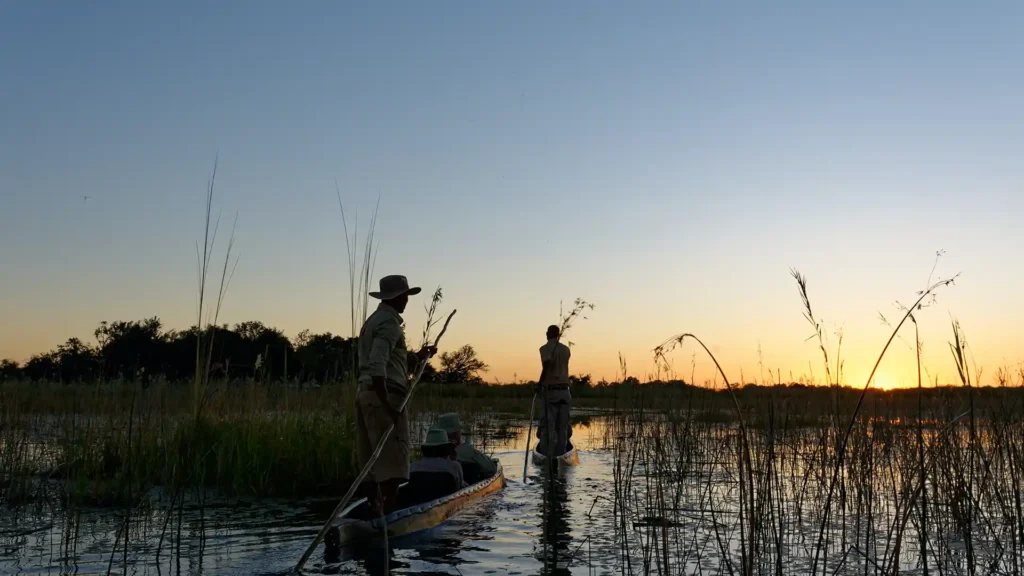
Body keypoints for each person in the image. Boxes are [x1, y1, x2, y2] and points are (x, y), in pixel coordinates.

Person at [355, 274, 436, 514]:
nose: (407, 301)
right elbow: (378, 365)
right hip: (385, 397)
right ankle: (388, 514)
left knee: (370, 460)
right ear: (397, 297)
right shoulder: (389, 324)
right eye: (405, 296)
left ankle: (374, 508)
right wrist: (389, 407)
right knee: (393, 463)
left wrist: (417, 357)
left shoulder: (373, 321)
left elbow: (389, 361)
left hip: (366, 395)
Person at [536, 325, 572, 457]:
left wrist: (539, 384)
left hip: (551, 392)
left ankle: (548, 456)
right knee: (562, 427)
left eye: (547, 332)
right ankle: (561, 454)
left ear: (549, 334)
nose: (546, 334)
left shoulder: (545, 349)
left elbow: (546, 366)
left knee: (548, 425)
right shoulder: (566, 349)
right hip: (565, 392)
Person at [436, 413, 497, 482]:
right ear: (456, 433)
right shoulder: (467, 450)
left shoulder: (432, 453)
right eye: (459, 431)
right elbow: (491, 468)